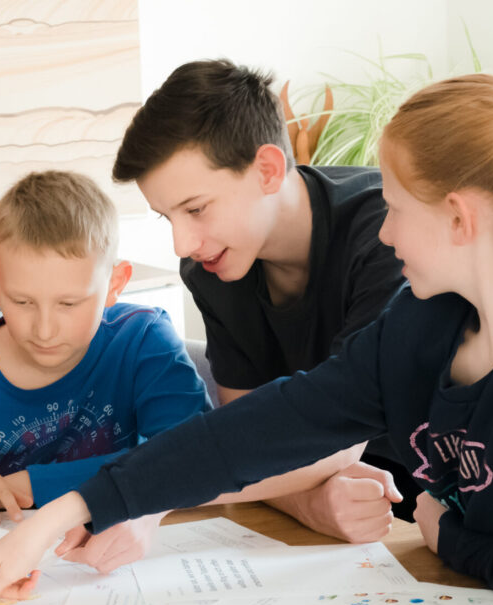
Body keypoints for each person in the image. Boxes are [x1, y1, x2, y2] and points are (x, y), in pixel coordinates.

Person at [0, 74, 493, 605]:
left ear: (459, 219)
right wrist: (70, 510)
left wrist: (447, 536)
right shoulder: (419, 322)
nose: (387, 235)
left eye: (398, 211)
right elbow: (254, 430)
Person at [111, 59, 413, 542]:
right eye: (167, 218)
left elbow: (341, 427)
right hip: (324, 504)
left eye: (195, 209)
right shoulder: (212, 266)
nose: (182, 244)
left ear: (267, 170)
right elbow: (242, 436)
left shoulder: (390, 233)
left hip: (432, 498)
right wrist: (307, 503)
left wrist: (150, 496)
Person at [0, 171, 210, 572]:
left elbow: (192, 458)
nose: (44, 330)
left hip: (121, 568)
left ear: (116, 283)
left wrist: (28, 486)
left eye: (69, 304)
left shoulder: (143, 339)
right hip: (4, 583)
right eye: (22, 301)